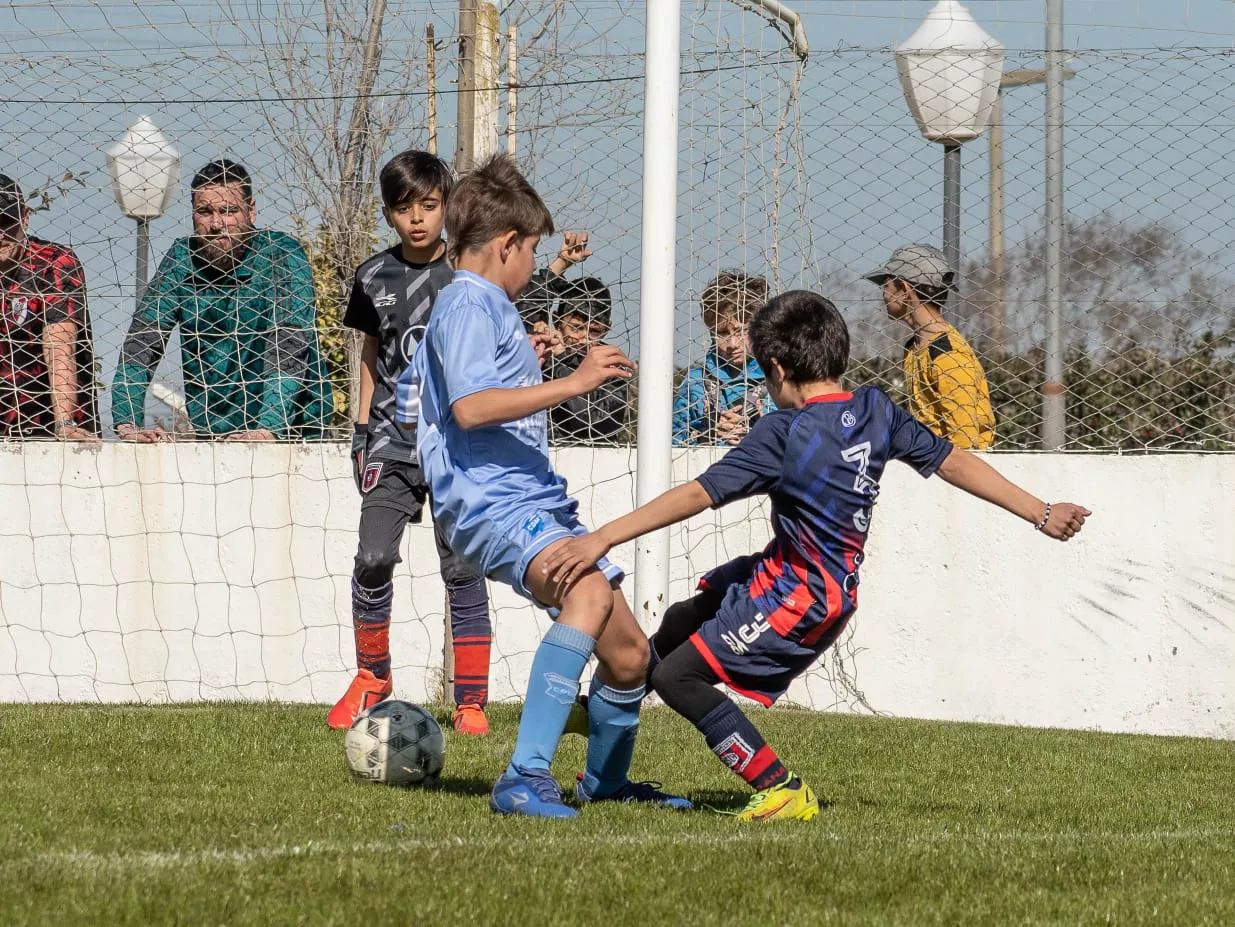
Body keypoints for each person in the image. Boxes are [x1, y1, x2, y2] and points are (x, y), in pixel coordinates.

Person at [542, 289, 1090, 822]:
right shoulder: (876, 409)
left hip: (799, 598)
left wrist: (602, 537)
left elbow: (696, 495)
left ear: (776, 368)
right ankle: (607, 711)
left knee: (677, 679)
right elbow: (953, 461)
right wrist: (1040, 511)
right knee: (684, 617)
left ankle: (778, 787)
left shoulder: (783, 432)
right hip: (784, 573)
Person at [400, 153, 689, 818]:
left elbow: (483, 391)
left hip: (524, 499)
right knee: (586, 590)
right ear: (507, 245)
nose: (535, 263)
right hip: (495, 501)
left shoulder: (480, 305)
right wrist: (574, 381)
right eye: (532, 250)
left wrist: (534, 363)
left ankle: (606, 782)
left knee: (627, 654)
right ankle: (524, 775)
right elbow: (470, 408)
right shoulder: (469, 303)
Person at [327, 150, 494, 736]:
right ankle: (373, 675)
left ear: (446, 206)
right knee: (373, 556)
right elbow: (371, 355)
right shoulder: (373, 276)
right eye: (404, 209)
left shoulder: (470, 273)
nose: (418, 219)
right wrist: (361, 428)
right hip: (392, 441)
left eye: (428, 205)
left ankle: (471, 700)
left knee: (463, 566)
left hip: (456, 447)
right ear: (389, 214)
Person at [112, 159, 331, 441]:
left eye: (228, 211)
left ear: (250, 211)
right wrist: (126, 424)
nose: (216, 224)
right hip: (213, 430)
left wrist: (268, 430)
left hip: (293, 432)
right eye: (204, 212)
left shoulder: (281, 254)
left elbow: (289, 344)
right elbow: (142, 342)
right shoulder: (182, 257)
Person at [864, 244, 996, 449]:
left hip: (952, 469)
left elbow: (965, 442)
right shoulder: (917, 347)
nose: (883, 293)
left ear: (904, 289)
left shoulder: (946, 355)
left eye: (886, 284)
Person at [0, 173, 98, 440]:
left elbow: (60, 347)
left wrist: (64, 423)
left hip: (47, 423)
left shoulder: (53, 262)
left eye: (6, 222)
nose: (0, 233)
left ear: (25, 217)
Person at [672, 270, 771, 446]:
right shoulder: (697, 382)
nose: (732, 343)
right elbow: (674, 438)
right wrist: (708, 433)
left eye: (741, 331)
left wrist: (762, 430)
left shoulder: (779, 380)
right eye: (722, 333)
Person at [543, 276, 629, 444]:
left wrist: (561, 361)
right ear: (557, 320)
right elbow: (525, 311)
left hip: (593, 456)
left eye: (594, 331)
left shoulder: (613, 366)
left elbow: (590, 420)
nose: (585, 339)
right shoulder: (541, 356)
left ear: (607, 329)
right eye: (576, 328)